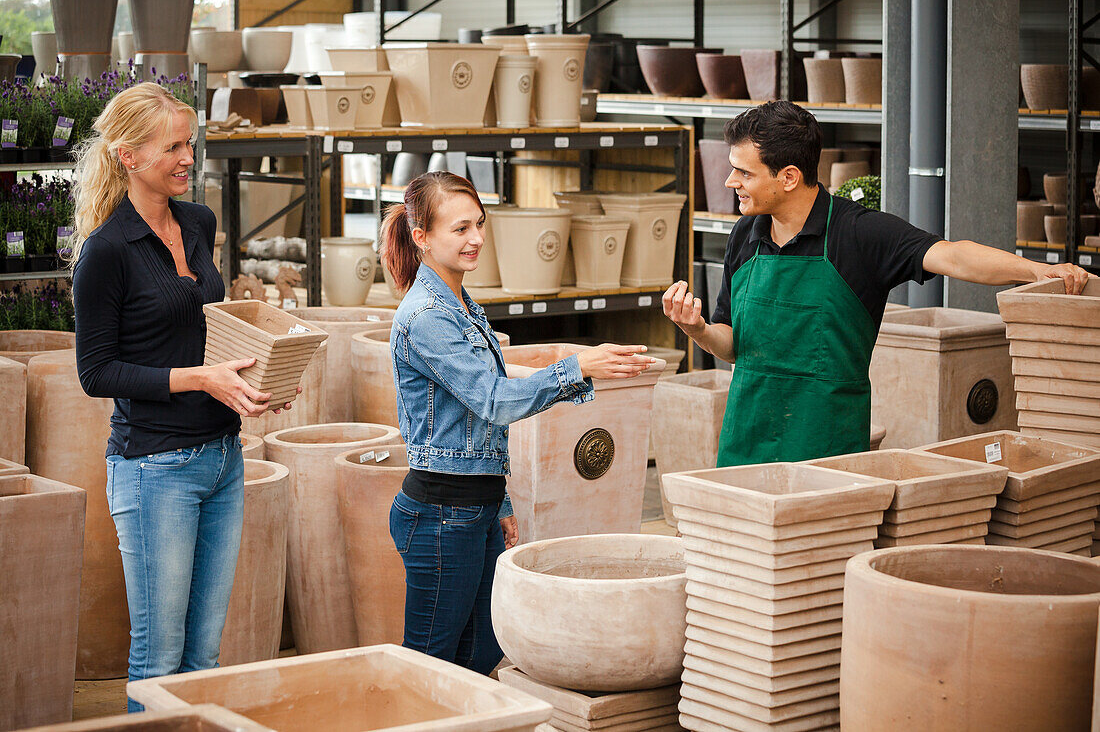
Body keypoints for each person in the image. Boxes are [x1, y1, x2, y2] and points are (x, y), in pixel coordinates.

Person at [664, 100, 1093, 468]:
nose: (729, 181)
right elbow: (733, 344)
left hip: (828, 455)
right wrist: (697, 329)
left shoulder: (860, 235)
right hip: (746, 445)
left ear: (789, 176)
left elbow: (953, 255)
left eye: (744, 173)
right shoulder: (746, 234)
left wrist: (1035, 271)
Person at [70, 82, 291, 710]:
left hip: (222, 456)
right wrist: (201, 380)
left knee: (204, 657)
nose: (188, 158)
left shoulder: (198, 223)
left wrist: (260, 379)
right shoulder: (105, 254)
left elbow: (206, 327)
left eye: (190, 144)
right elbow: (97, 374)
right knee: (161, 655)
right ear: (127, 156)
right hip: (154, 467)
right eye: (172, 147)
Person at [381, 171, 656, 674]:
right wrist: (578, 366)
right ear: (421, 237)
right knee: (428, 667)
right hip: (442, 514)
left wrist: (499, 498)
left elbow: (471, 419)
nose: (476, 239)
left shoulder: (461, 304)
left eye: (479, 225)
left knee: (480, 655)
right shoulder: (427, 316)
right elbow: (493, 400)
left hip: (472, 507)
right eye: (459, 228)